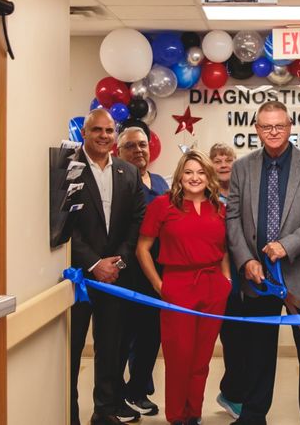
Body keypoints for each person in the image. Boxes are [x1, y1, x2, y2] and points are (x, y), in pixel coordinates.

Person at [226, 100, 300, 425]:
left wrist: (286, 246)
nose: (273, 132)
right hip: (258, 280)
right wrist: (246, 260)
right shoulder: (241, 168)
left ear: (290, 127)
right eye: (266, 126)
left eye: (280, 126)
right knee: (256, 355)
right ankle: (253, 416)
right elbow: (232, 218)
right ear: (257, 129)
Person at [135, 150, 231, 425]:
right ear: (179, 176)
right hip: (177, 285)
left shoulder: (219, 208)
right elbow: (143, 248)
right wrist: (159, 284)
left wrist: (226, 280)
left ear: (209, 176)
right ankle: (177, 416)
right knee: (179, 357)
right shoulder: (162, 206)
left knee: (201, 360)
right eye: (188, 172)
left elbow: (224, 249)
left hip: (213, 287)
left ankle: (194, 414)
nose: (194, 177)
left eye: (201, 172)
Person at [69, 108, 149, 425]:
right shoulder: (68, 169)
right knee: (73, 350)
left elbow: (136, 222)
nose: (104, 136)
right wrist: (92, 263)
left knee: (110, 347)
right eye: (97, 130)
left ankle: (104, 410)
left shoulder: (127, 172)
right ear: (85, 133)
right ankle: (70, 412)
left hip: (116, 275)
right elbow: (63, 225)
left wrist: (118, 260)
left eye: (109, 131)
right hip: (79, 279)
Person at [115, 126, 169, 417]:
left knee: (151, 335)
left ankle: (137, 390)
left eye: (143, 145)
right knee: (122, 337)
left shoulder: (161, 182)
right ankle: (114, 396)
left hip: (158, 273)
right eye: (131, 146)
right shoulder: (117, 181)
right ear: (118, 151)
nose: (138, 150)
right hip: (126, 273)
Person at [210, 143, 247, 419]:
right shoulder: (206, 197)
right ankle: (232, 392)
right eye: (217, 160)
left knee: (243, 338)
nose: (223, 164)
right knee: (230, 337)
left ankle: (234, 392)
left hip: (243, 272)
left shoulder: (242, 195)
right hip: (215, 274)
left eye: (228, 159)